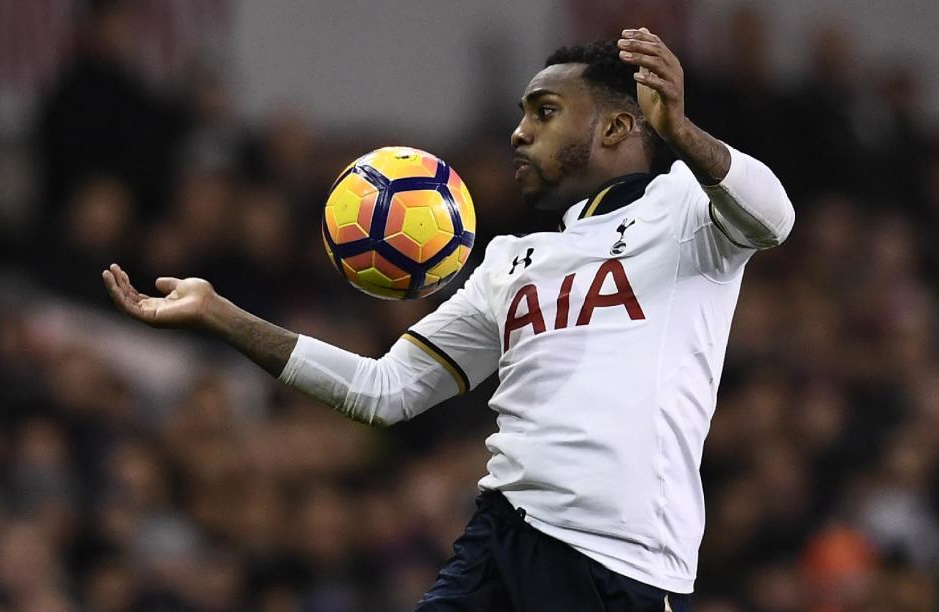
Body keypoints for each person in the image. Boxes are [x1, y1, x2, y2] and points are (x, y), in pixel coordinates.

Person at [103, 29, 794, 611]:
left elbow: (775, 216)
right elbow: (384, 390)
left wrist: (682, 132)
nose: (519, 133)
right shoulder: (510, 261)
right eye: (523, 114)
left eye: (546, 111)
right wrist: (221, 314)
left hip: (617, 562)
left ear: (616, 126)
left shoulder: (683, 212)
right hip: (501, 538)